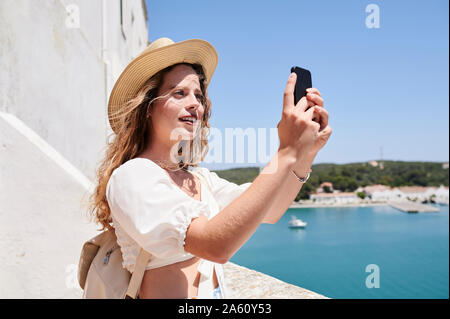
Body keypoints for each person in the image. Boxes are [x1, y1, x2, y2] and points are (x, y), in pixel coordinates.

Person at [87, 37, 332, 299]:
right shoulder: (132, 176)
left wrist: (305, 154)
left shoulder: (199, 179)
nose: (195, 104)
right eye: (179, 93)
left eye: (199, 96)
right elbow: (215, 245)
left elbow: (270, 211)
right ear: (147, 106)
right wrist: (286, 152)